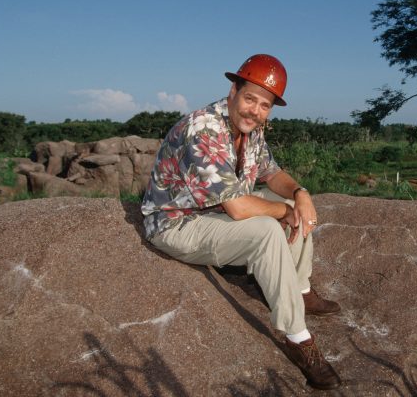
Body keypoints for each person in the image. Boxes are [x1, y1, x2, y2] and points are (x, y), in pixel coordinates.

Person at [141, 54, 342, 390]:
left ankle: (300, 288)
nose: (256, 111)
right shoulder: (202, 129)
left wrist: (301, 195)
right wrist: (282, 212)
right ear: (233, 90)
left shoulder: (250, 130)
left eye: (265, 106)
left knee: (293, 204)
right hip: (177, 224)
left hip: (214, 214)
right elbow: (236, 208)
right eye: (250, 99)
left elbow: (272, 173)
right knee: (267, 228)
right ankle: (298, 339)